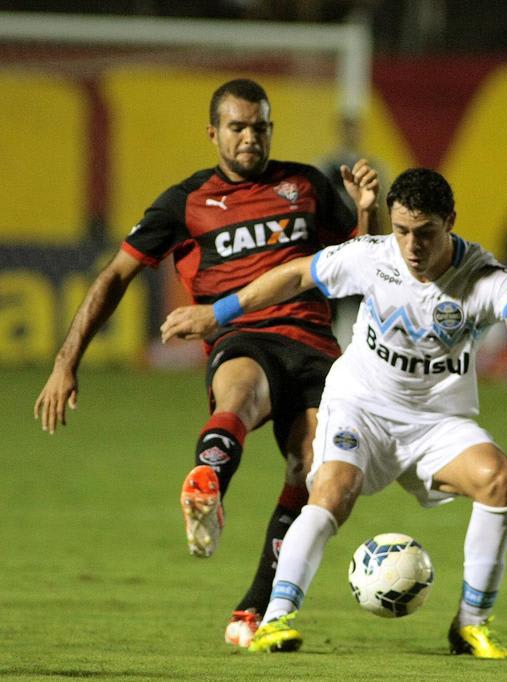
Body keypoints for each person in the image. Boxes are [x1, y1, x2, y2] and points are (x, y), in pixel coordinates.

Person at [161, 167, 507, 658]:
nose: (411, 245)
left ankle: (470, 625)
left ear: (450, 223)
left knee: (498, 480)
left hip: (436, 423)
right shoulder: (374, 257)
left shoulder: (480, 275)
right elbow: (294, 274)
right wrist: (214, 313)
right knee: (332, 491)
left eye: (425, 233)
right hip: (361, 407)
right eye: (401, 231)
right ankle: (275, 620)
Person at [33, 78, 380, 646]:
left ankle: (254, 612)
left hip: (317, 347)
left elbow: (366, 262)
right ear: (213, 132)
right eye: (238, 127)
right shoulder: (186, 201)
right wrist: (65, 362)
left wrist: (367, 213)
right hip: (243, 335)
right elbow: (115, 275)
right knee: (238, 395)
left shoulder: (306, 185)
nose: (250, 138)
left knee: (312, 469)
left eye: (261, 127)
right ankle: (207, 485)